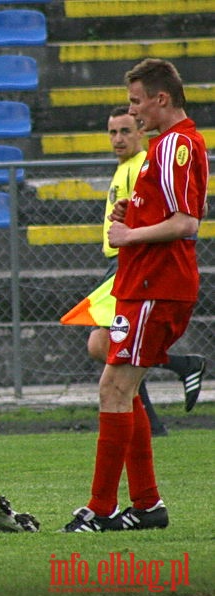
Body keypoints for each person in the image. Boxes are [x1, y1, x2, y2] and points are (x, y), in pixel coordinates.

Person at [61, 59, 209, 533]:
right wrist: (131, 214)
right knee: (118, 387)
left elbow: (187, 222)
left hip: (156, 285)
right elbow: (164, 211)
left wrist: (128, 236)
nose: (133, 111)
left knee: (116, 388)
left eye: (136, 101)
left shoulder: (177, 146)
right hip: (141, 283)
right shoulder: (164, 147)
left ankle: (103, 507)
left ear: (160, 99)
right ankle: (145, 505)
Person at [85, 107, 206, 434]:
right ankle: (153, 416)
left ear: (141, 131)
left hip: (133, 264)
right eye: (112, 132)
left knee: (106, 346)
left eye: (125, 131)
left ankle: (152, 413)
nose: (118, 139)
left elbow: (179, 216)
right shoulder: (125, 167)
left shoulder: (143, 165)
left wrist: (129, 235)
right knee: (115, 349)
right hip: (119, 262)